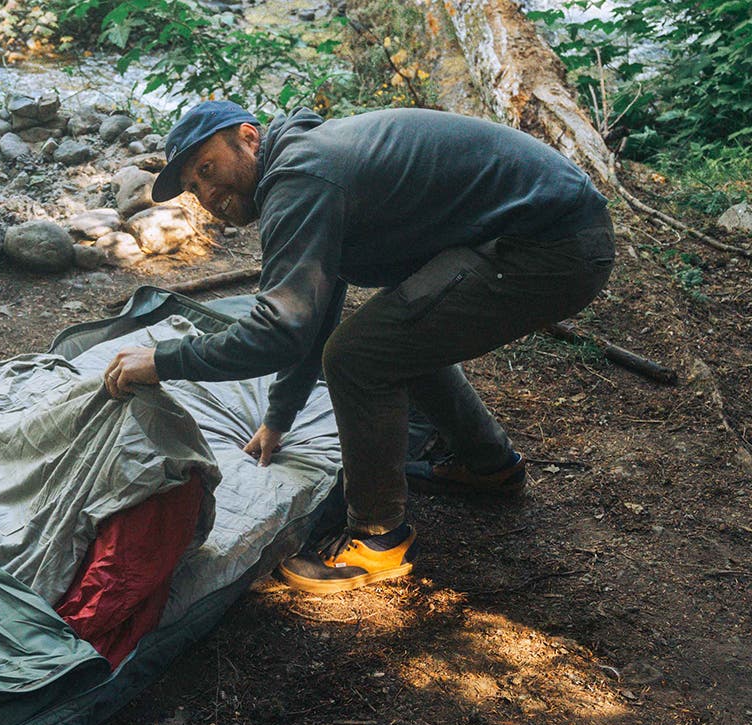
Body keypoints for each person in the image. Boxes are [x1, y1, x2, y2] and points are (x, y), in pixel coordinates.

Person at [101, 101, 614, 594]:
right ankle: (489, 466)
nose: (208, 193)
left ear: (248, 138)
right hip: (538, 232)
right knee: (392, 335)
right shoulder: (306, 160)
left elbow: (279, 330)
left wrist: (163, 360)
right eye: (194, 187)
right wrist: (279, 415)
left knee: (358, 356)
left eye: (209, 169)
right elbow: (313, 306)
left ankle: (378, 538)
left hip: (549, 246)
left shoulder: (300, 178)